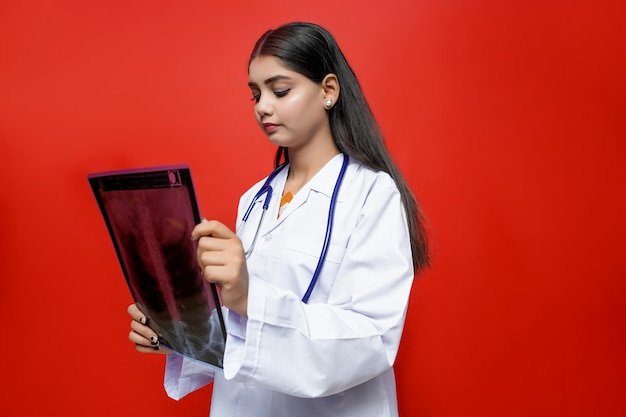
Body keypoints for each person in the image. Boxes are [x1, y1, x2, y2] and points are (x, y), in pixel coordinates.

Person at [127, 21, 429, 417]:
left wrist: (251, 297)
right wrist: (175, 328)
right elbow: (242, 336)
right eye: (255, 94)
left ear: (328, 91)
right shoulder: (255, 200)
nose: (263, 106)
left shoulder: (372, 194)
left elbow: (372, 339)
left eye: (280, 90)